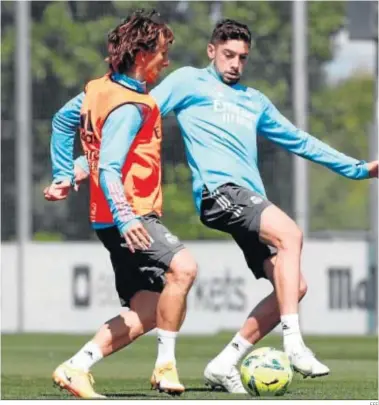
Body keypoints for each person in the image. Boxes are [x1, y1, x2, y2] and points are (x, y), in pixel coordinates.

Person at [48, 18, 379, 394]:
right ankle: (293, 343)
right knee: (289, 234)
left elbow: (299, 140)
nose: (235, 63)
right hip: (218, 193)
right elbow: (122, 126)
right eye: (228, 54)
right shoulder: (186, 82)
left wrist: (356, 169)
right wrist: (78, 169)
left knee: (292, 286)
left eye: (242, 57)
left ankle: (223, 361)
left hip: (251, 203)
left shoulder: (255, 101)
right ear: (211, 51)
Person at [44, 10, 197, 398]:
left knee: (148, 309)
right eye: (163, 52)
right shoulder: (132, 105)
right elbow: (111, 169)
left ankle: (76, 367)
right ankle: (165, 368)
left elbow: (62, 122)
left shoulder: (98, 89)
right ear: (142, 54)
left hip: (106, 218)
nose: (167, 60)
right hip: (130, 215)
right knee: (184, 268)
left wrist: (65, 172)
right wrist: (129, 218)